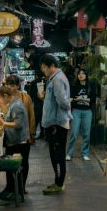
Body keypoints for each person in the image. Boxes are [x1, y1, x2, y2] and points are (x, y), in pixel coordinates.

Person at [39, 54, 72, 195]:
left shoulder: (57, 79)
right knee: (55, 154)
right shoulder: (55, 78)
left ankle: (59, 183)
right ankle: (58, 182)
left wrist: (65, 109)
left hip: (56, 124)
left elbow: (63, 102)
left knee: (57, 155)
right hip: (54, 122)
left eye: (45, 68)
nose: (43, 71)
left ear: (52, 66)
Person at [0, 86, 30, 201]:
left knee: (15, 168)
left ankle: (14, 192)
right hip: (15, 141)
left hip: (18, 142)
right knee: (14, 169)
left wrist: (3, 123)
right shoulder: (14, 104)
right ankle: (12, 190)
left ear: (5, 96)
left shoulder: (16, 106)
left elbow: (18, 124)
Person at [5, 74, 35, 193]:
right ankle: (11, 188)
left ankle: (21, 187)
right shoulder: (5, 98)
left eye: (13, 85)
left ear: (18, 85)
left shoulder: (26, 98)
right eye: (8, 85)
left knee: (24, 162)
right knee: (10, 162)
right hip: (10, 137)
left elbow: (31, 115)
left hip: (23, 136)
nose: (11, 87)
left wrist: (31, 134)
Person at [66, 69, 96, 161]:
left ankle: (85, 153)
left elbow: (93, 99)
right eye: (79, 74)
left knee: (86, 134)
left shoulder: (90, 86)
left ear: (86, 75)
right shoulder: (74, 86)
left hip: (87, 112)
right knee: (74, 133)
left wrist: (82, 99)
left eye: (83, 73)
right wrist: (78, 99)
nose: (81, 75)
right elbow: (71, 99)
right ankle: (69, 154)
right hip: (76, 111)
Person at [27, 72, 45, 139]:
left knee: (35, 120)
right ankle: (42, 134)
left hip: (37, 104)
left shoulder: (33, 82)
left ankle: (32, 135)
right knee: (42, 119)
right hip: (44, 103)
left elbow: (30, 94)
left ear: (36, 75)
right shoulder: (46, 82)